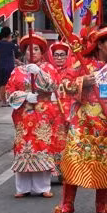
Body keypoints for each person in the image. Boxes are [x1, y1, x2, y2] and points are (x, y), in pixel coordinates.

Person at [53, 26, 107, 213]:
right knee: (74, 161)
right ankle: (67, 204)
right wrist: (82, 82)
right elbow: (63, 86)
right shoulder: (81, 64)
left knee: (106, 163)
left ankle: (102, 205)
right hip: (82, 123)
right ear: (100, 44)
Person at [5, 34, 59, 197]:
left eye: (36, 49)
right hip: (23, 115)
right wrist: (24, 96)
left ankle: (43, 187)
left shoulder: (49, 68)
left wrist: (40, 73)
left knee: (42, 145)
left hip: (43, 115)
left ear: (41, 51)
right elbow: (8, 93)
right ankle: (22, 188)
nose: (32, 52)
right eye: (29, 49)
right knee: (23, 148)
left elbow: (53, 86)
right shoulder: (17, 71)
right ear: (24, 51)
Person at [47, 42, 72, 177]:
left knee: (67, 142)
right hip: (51, 113)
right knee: (52, 141)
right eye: (56, 55)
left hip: (68, 113)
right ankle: (54, 171)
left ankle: (67, 171)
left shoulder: (72, 71)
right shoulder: (47, 71)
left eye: (62, 55)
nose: (59, 58)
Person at [0, 26, 19, 105]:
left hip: (1, 66)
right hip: (10, 66)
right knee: (9, 84)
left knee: (2, 84)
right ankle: (8, 100)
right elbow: (17, 50)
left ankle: (3, 101)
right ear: (9, 35)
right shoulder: (11, 44)